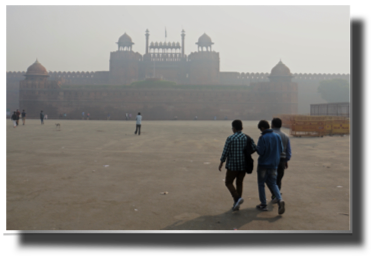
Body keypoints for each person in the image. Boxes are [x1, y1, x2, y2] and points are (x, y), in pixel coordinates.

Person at [219, 120, 257, 211]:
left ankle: (237, 198)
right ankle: (237, 204)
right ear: (242, 128)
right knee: (239, 183)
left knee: (228, 182)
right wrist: (247, 153)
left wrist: (221, 162)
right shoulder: (247, 137)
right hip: (243, 165)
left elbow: (225, 152)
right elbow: (254, 148)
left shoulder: (230, 138)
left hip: (232, 165)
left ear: (233, 128)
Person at [256, 120, 285, 214]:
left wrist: (256, 147)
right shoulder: (277, 136)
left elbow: (260, 152)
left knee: (261, 184)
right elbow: (281, 149)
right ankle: (279, 199)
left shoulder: (263, 137)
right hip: (274, 165)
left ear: (262, 128)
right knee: (273, 183)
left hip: (263, 165)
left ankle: (263, 204)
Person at [269, 118, 292, 203]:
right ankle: (276, 195)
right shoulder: (285, 136)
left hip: (271, 160)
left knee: (269, 179)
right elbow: (288, 151)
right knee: (278, 178)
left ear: (273, 125)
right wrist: (286, 160)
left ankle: (275, 195)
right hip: (281, 160)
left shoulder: (269, 135)